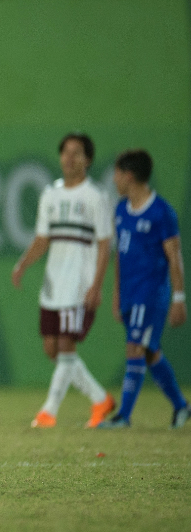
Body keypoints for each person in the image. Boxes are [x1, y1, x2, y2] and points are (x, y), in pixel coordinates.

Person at [11, 133, 115, 428]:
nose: (70, 158)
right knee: (52, 349)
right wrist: (23, 264)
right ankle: (100, 399)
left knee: (67, 348)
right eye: (65, 152)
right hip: (53, 284)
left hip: (78, 285)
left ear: (88, 160)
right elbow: (43, 238)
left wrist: (97, 285)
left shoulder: (96, 197)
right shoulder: (50, 194)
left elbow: (105, 245)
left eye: (77, 153)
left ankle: (49, 412)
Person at [99, 149, 188, 429]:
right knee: (150, 352)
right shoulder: (121, 210)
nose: (114, 180)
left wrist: (178, 297)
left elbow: (174, 256)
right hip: (129, 293)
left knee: (135, 348)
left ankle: (123, 416)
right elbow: (120, 256)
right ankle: (181, 406)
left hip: (151, 294)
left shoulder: (162, 212)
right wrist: (116, 295)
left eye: (116, 173)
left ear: (129, 175)